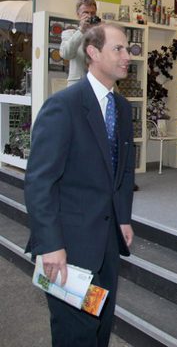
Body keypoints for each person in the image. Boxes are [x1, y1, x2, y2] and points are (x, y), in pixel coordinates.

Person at [25, 23, 135, 347]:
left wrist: (123, 217)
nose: (127, 56)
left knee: (99, 331)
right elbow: (39, 180)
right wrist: (50, 245)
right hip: (68, 250)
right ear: (92, 52)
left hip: (107, 246)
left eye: (127, 49)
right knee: (76, 336)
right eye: (119, 49)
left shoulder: (123, 108)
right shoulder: (64, 106)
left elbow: (124, 171)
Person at [60, 0, 100, 87]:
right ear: (78, 15)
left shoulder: (101, 34)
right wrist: (81, 30)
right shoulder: (69, 34)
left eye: (92, 13)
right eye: (85, 13)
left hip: (99, 85)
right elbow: (66, 54)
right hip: (77, 86)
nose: (89, 16)